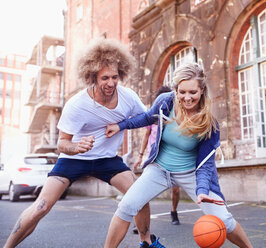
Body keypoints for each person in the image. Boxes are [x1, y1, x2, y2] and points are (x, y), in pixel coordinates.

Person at [4, 38, 164, 248]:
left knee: (139, 196)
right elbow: (62, 143)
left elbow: (147, 119)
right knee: (41, 207)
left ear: (121, 74)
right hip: (74, 159)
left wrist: (122, 125)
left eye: (115, 77)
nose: (110, 83)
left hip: (107, 159)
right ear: (92, 77)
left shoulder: (128, 97)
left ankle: (146, 242)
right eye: (104, 77)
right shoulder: (77, 105)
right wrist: (75, 147)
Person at [104, 63, 253, 248]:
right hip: (159, 169)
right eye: (182, 92)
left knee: (225, 220)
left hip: (190, 173)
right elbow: (147, 117)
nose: (187, 98)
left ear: (202, 90)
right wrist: (121, 126)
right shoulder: (166, 101)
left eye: (193, 92)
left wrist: (202, 191)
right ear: (176, 90)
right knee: (126, 207)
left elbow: (206, 165)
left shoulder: (209, 124)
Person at [131, 86, 180, 235]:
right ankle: (140, 224)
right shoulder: (153, 116)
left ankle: (173, 211)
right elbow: (146, 135)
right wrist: (140, 156)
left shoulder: (174, 115)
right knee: (143, 191)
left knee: (176, 189)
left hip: (170, 156)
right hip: (153, 157)